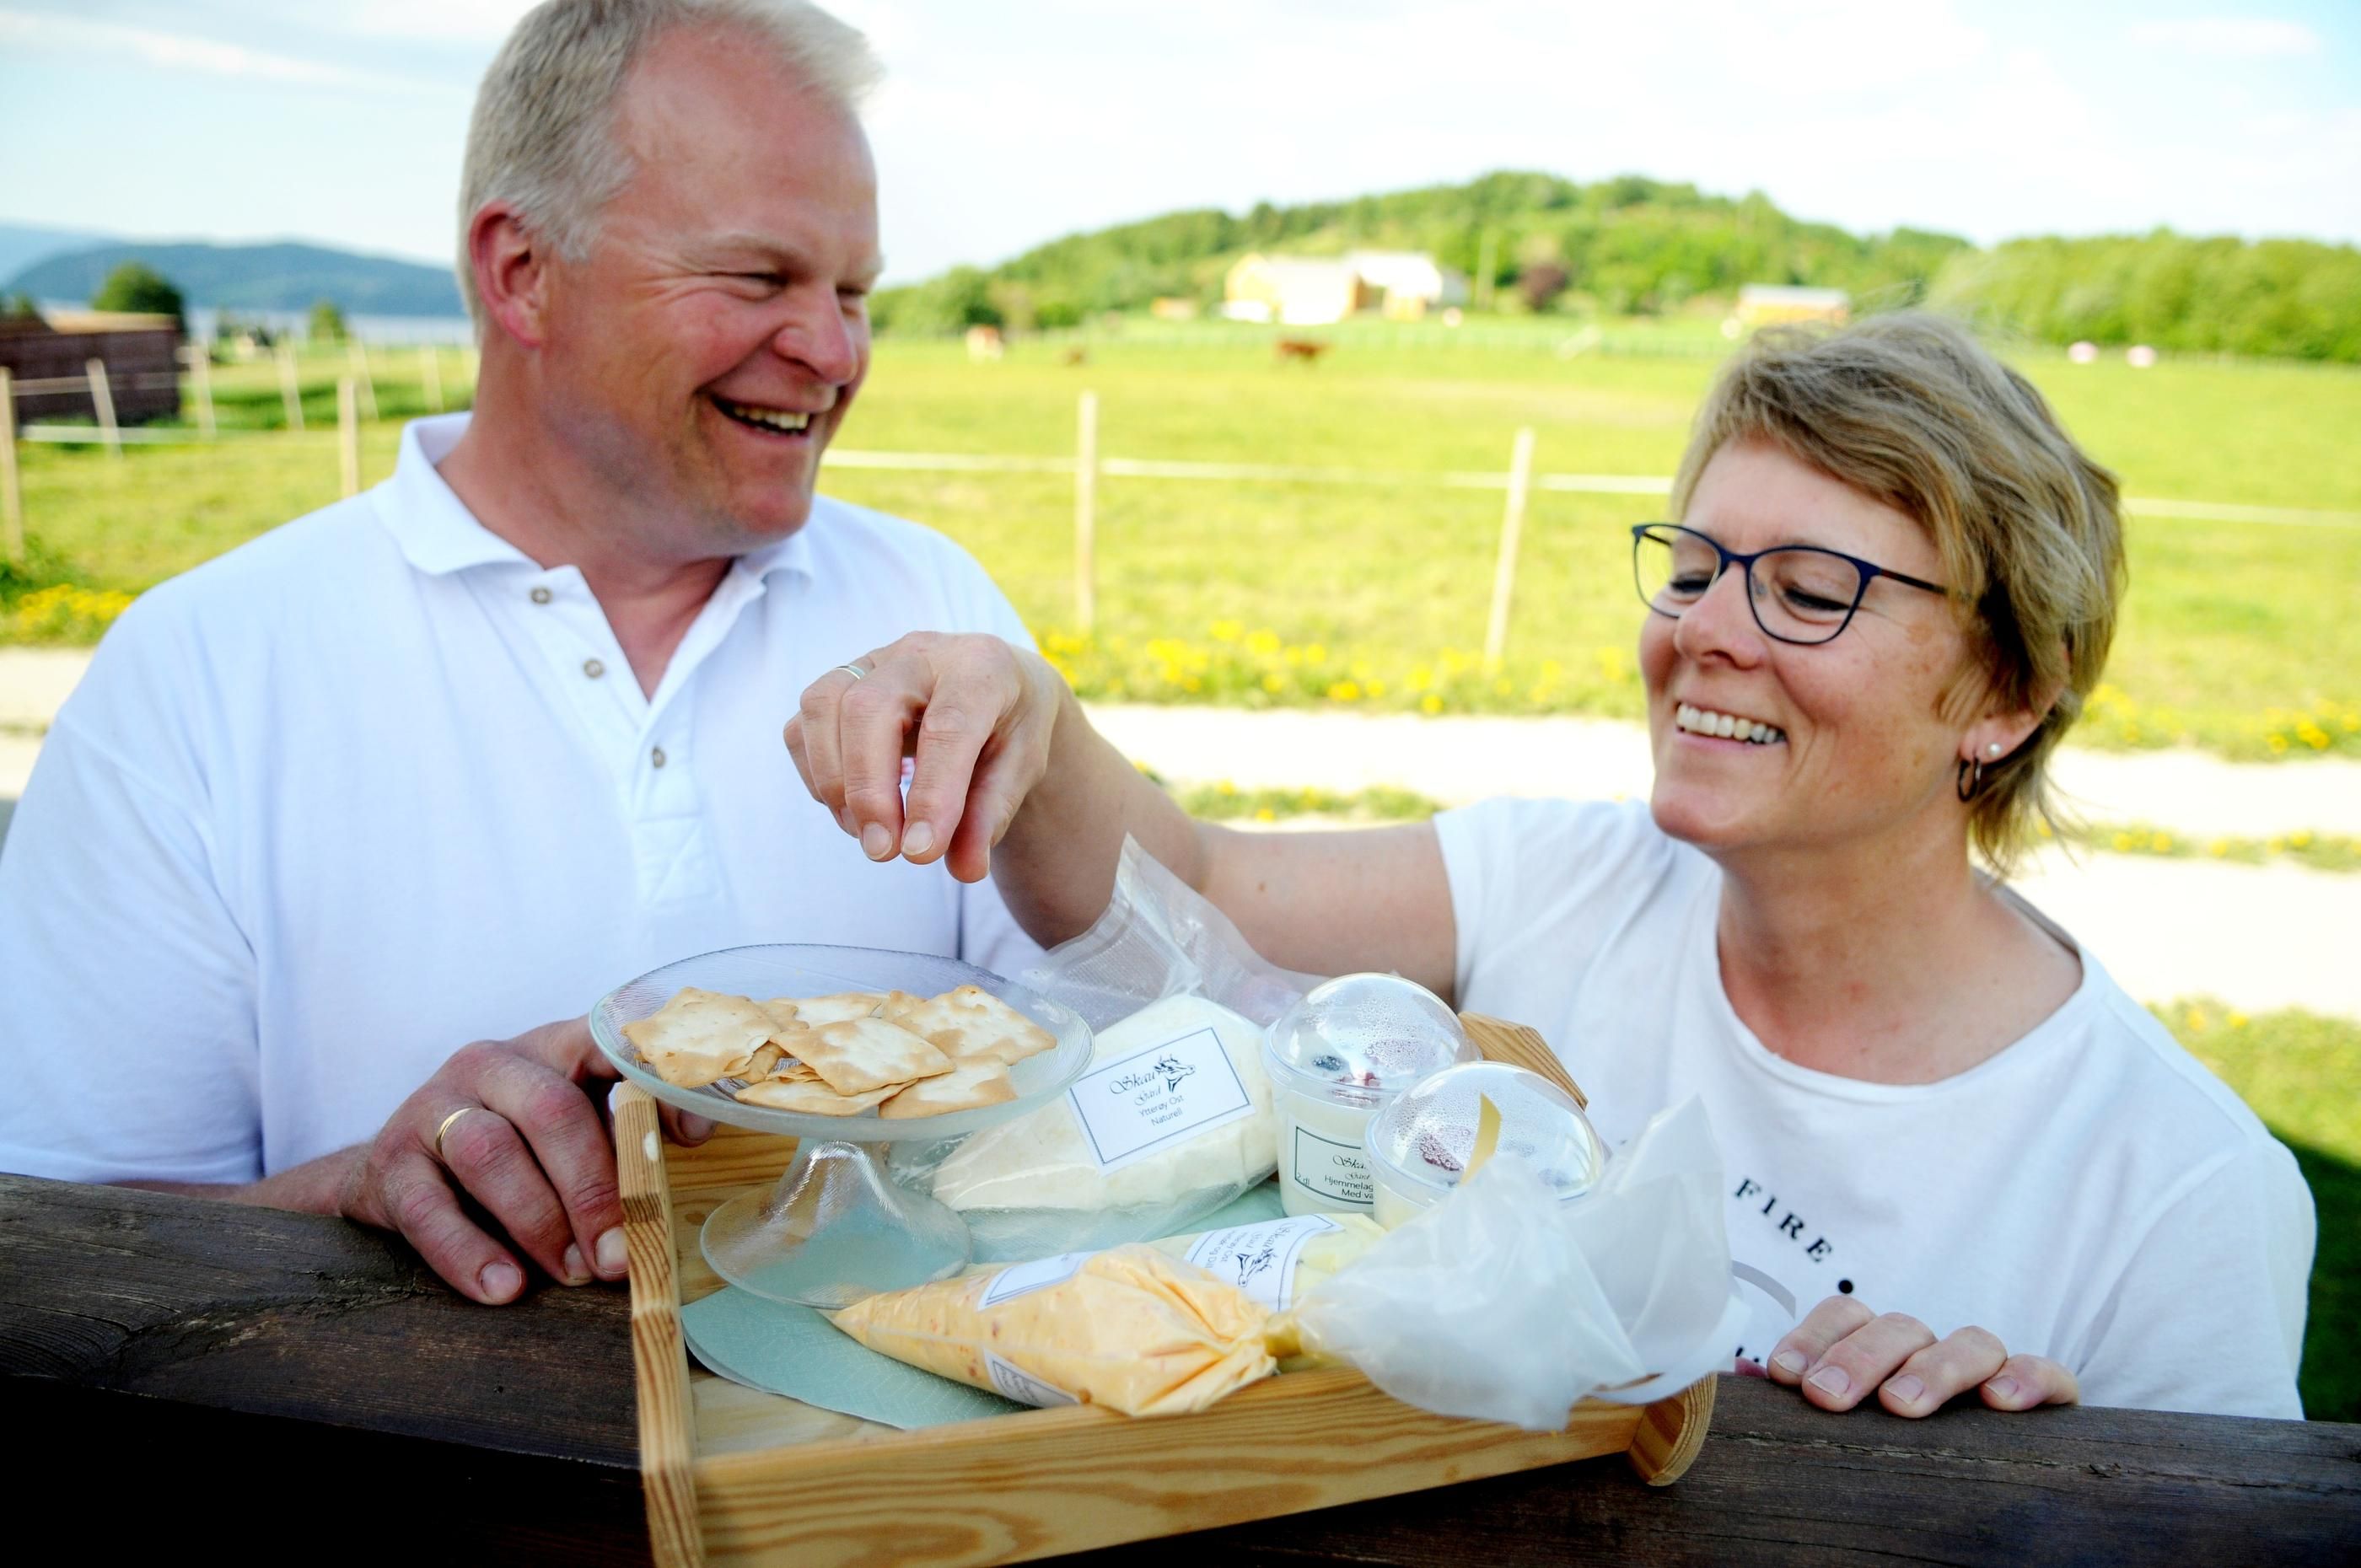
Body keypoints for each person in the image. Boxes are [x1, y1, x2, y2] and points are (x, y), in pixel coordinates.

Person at [787, 314, 2315, 1420]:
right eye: (1697, 567)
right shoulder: (1561, 879)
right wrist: (1029, 717)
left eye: (1807, 591)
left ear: (2007, 695)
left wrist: (2016, 1482)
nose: (1703, 630)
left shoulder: (2179, 1189)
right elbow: (1181, 895)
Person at [0, 0, 1043, 1305]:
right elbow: (58, 1258)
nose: (833, 353)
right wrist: (359, 1192)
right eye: (757, 278)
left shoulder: (935, 603)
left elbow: (1105, 1069)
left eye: (853, 292)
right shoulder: (198, 675)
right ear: (522, 271)